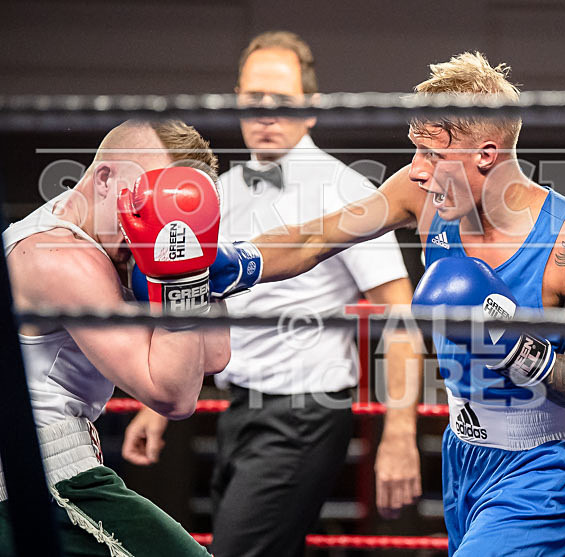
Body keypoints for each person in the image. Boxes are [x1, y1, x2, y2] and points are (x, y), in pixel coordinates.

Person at [235, 51, 565, 556]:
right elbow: (314, 238)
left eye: (433, 154)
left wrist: (515, 347)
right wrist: (231, 263)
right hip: (462, 455)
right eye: (414, 149)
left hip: (545, 469)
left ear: (486, 154)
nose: (416, 170)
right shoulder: (423, 197)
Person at [122, 30, 423, 557]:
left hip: (305, 415)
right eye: (252, 98)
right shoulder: (220, 191)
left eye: (280, 101)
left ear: (310, 110)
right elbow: (203, 299)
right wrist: (158, 404)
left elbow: (398, 313)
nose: (264, 112)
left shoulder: (344, 188)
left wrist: (399, 432)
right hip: (237, 409)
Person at [0, 120, 231, 556]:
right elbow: (173, 396)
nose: (152, 219)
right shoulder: (60, 257)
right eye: (146, 199)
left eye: (170, 208)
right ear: (105, 179)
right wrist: (182, 276)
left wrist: (193, 249)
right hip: (41, 478)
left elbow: (215, 356)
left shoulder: (111, 246)